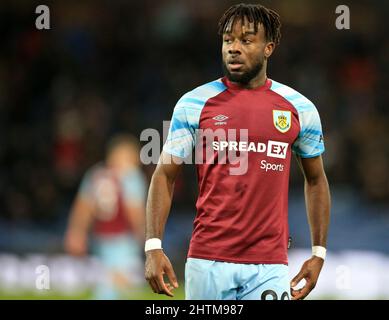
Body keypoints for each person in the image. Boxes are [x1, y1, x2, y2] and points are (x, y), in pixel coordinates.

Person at [144, 3, 330, 300]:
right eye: (228, 39)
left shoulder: (299, 108)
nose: (233, 48)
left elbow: (317, 180)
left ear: (268, 48)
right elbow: (164, 175)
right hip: (208, 262)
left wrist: (318, 252)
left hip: (269, 264)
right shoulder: (194, 103)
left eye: (246, 40)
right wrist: (153, 245)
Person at [64, 134, 147, 299]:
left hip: (100, 238)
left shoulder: (95, 174)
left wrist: (76, 232)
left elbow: (83, 207)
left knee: (109, 280)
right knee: (122, 286)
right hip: (123, 239)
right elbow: (134, 211)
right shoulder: (131, 176)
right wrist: (145, 237)